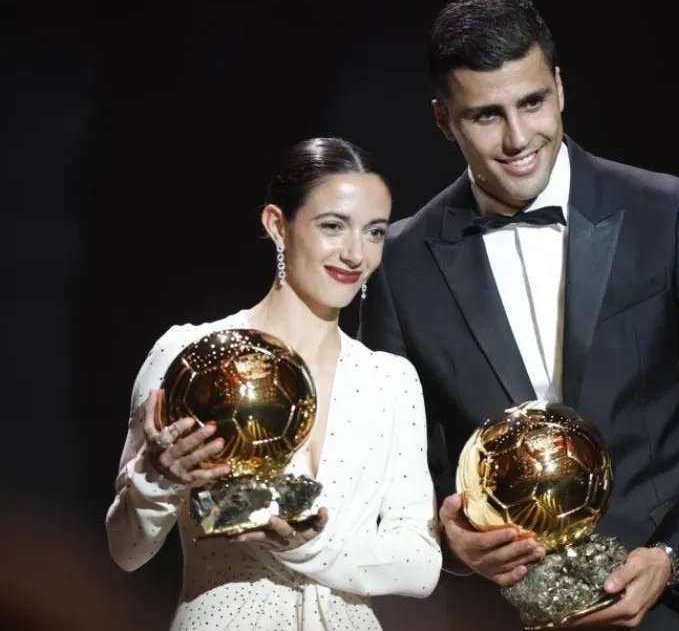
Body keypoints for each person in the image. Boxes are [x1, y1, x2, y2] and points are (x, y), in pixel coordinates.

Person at [358, 0, 679, 631]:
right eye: (485, 115)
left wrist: (672, 557)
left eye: (531, 102)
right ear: (443, 120)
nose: (516, 138)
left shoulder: (668, 214)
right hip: (502, 614)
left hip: (676, 611)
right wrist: (451, 542)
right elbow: (394, 469)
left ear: (559, 88)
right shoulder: (399, 262)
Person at [106, 137, 442, 631]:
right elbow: (127, 552)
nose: (354, 254)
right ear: (277, 225)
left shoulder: (389, 381)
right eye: (332, 226)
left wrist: (312, 546)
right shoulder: (192, 355)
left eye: (373, 232)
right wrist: (158, 477)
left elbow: (420, 564)